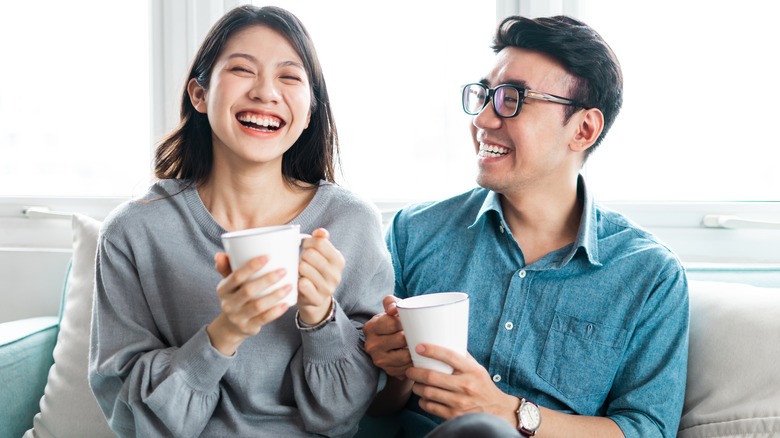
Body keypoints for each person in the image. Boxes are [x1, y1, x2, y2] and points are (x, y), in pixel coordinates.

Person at [363, 14, 689, 438]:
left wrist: (510, 412)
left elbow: (647, 429)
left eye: (511, 99)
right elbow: (373, 407)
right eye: (485, 96)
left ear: (583, 129)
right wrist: (393, 370)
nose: (482, 119)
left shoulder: (649, 273)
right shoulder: (414, 232)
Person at [88, 5, 393, 437]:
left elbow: (343, 416)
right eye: (242, 70)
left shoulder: (351, 223)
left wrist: (321, 315)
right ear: (199, 94)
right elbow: (132, 420)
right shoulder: (133, 231)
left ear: (309, 110)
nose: (266, 93)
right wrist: (225, 332)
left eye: (289, 77)